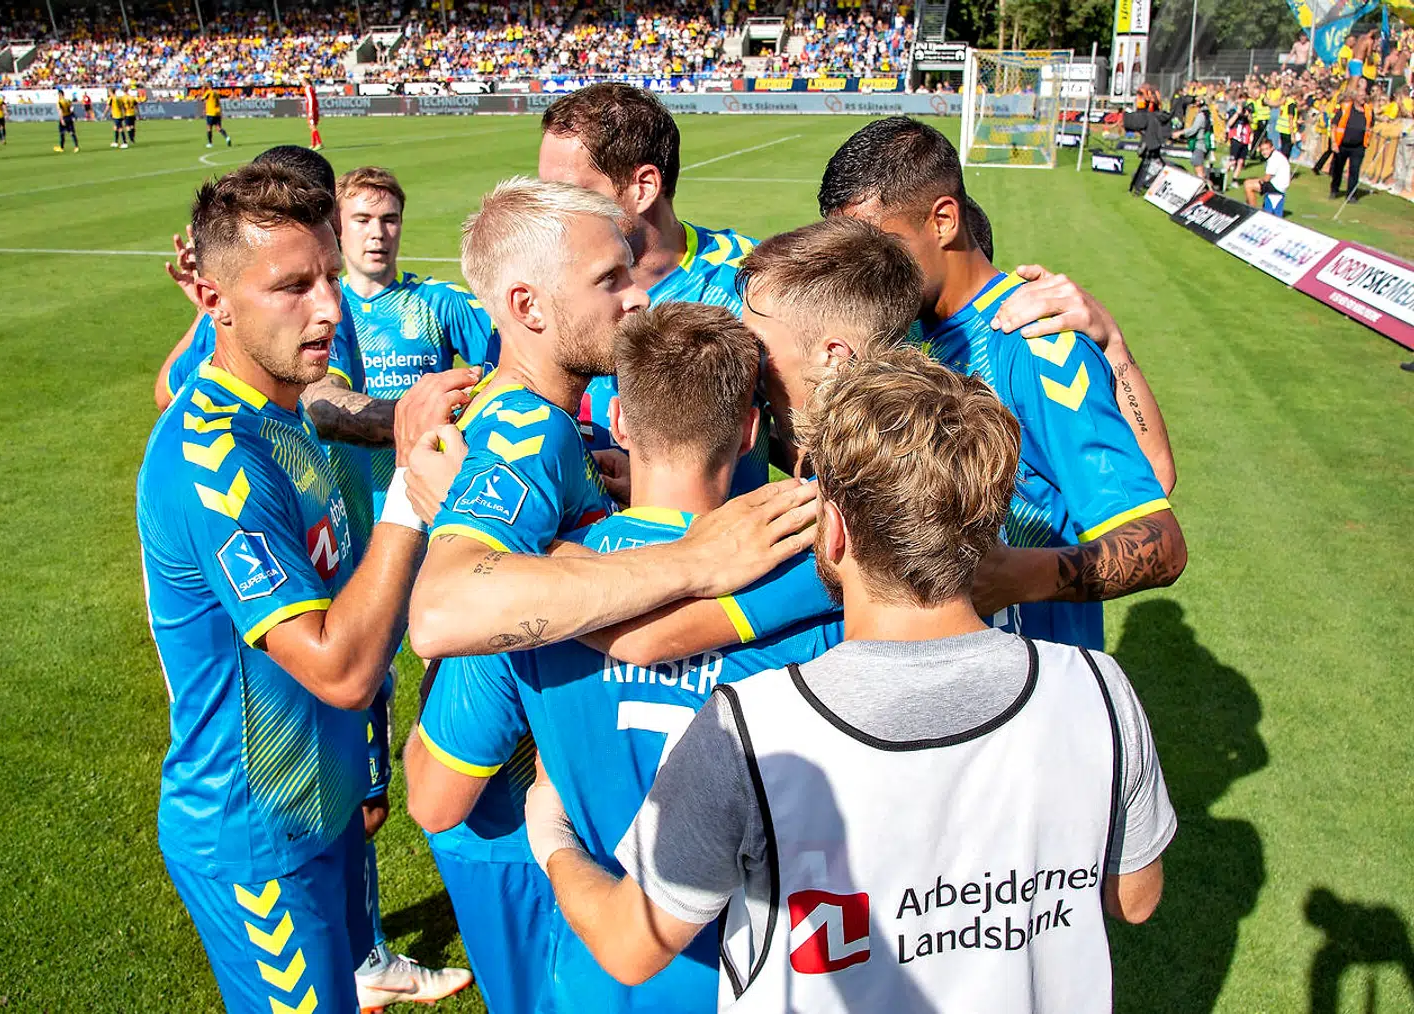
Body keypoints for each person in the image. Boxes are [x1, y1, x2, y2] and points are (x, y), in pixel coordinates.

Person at [524, 347, 1175, 1013]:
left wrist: (550, 840)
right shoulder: (1100, 689)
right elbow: (1136, 897)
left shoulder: (750, 729)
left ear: (831, 530)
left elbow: (631, 947)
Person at [398, 176, 825, 1012]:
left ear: (622, 423)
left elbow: (435, 786)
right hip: (705, 947)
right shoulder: (525, 437)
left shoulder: (552, 469)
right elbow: (445, 617)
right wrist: (696, 562)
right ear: (526, 304)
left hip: (589, 917)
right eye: (612, 280)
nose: (640, 296)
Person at [149, 147, 476, 1012]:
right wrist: (410, 492)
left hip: (316, 809)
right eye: (293, 286)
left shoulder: (283, 411)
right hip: (256, 840)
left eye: (329, 277)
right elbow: (337, 664)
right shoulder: (215, 457)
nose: (329, 307)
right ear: (213, 301)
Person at [818, 117, 1186, 651]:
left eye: (879, 245)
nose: (862, 270)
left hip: (1027, 696)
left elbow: (1158, 543)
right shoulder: (895, 333)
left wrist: (1013, 578)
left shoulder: (1036, 343)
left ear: (943, 220)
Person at [537, 83, 765, 491]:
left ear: (643, 188)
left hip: (717, 548)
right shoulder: (539, 285)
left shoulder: (752, 282)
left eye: (570, 194)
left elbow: (821, 438)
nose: (551, 214)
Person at [332, 165, 498, 513]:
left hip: (422, 499)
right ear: (337, 226)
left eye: (389, 219)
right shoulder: (326, 310)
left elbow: (513, 359)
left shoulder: (439, 301)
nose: (377, 233)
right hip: (348, 501)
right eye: (362, 220)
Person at [1329, 77, 1373, 201]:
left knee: (1354, 170)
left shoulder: (1369, 110)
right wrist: (1333, 142)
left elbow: (1371, 126)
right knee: (1338, 168)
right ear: (1355, 97)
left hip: (1358, 146)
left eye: (1363, 96)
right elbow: (1334, 125)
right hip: (1342, 144)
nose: (1362, 98)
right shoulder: (1345, 107)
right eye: (1360, 96)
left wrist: (1368, 140)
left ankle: (1351, 195)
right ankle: (1334, 189)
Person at [1244, 135, 1291, 214]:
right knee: (1251, 182)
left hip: (1277, 186)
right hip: (1279, 184)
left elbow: (1267, 178)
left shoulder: (1274, 158)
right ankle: (1249, 205)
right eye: (1262, 150)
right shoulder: (1276, 155)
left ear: (1272, 148)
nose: (1264, 152)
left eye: (1266, 149)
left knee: (1248, 184)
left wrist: (1256, 180)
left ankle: (1252, 211)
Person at [1174, 97, 1213, 179]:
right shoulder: (1208, 114)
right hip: (1204, 144)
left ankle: (1206, 188)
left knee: (1199, 170)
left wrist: (1180, 132)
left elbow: (1193, 129)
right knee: (1201, 169)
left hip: (1200, 144)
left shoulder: (1201, 115)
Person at [1226, 102, 1254, 185]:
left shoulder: (1246, 115)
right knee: (1233, 161)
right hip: (1236, 139)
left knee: (1241, 162)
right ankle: (1222, 174)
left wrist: (1247, 114)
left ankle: (1234, 179)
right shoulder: (1233, 112)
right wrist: (1237, 113)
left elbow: (1251, 121)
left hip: (1244, 140)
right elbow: (1229, 123)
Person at [53, 89, 79, 153]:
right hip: (69, 117)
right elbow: (71, 109)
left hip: (64, 117)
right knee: (72, 133)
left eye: (58, 94)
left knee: (62, 133)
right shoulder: (68, 101)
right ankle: (76, 147)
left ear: (60, 94)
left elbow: (60, 111)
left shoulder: (59, 102)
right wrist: (74, 117)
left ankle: (61, 148)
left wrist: (62, 120)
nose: (58, 96)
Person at [303, 77, 323, 151]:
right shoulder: (310, 88)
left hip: (312, 110)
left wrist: (311, 111)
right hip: (313, 109)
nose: (302, 83)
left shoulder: (308, 88)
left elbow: (311, 100)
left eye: (303, 81)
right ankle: (313, 144)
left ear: (306, 82)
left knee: (312, 126)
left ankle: (319, 143)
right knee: (311, 126)